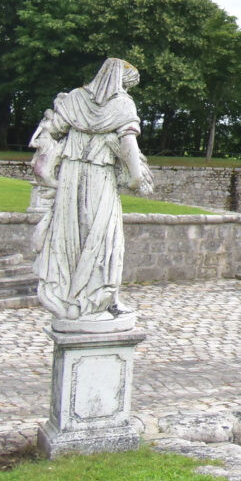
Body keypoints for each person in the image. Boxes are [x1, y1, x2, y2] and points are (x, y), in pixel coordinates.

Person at [31, 59, 154, 320]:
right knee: (104, 237)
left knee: (69, 235)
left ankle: (70, 297)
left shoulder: (75, 98)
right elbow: (128, 144)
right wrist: (135, 178)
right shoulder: (122, 104)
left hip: (70, 177)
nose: (127, 90)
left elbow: (51, 132)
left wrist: (46, 166)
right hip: (100, 177)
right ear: (121, 81)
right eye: (127, 85)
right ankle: (100, 298)